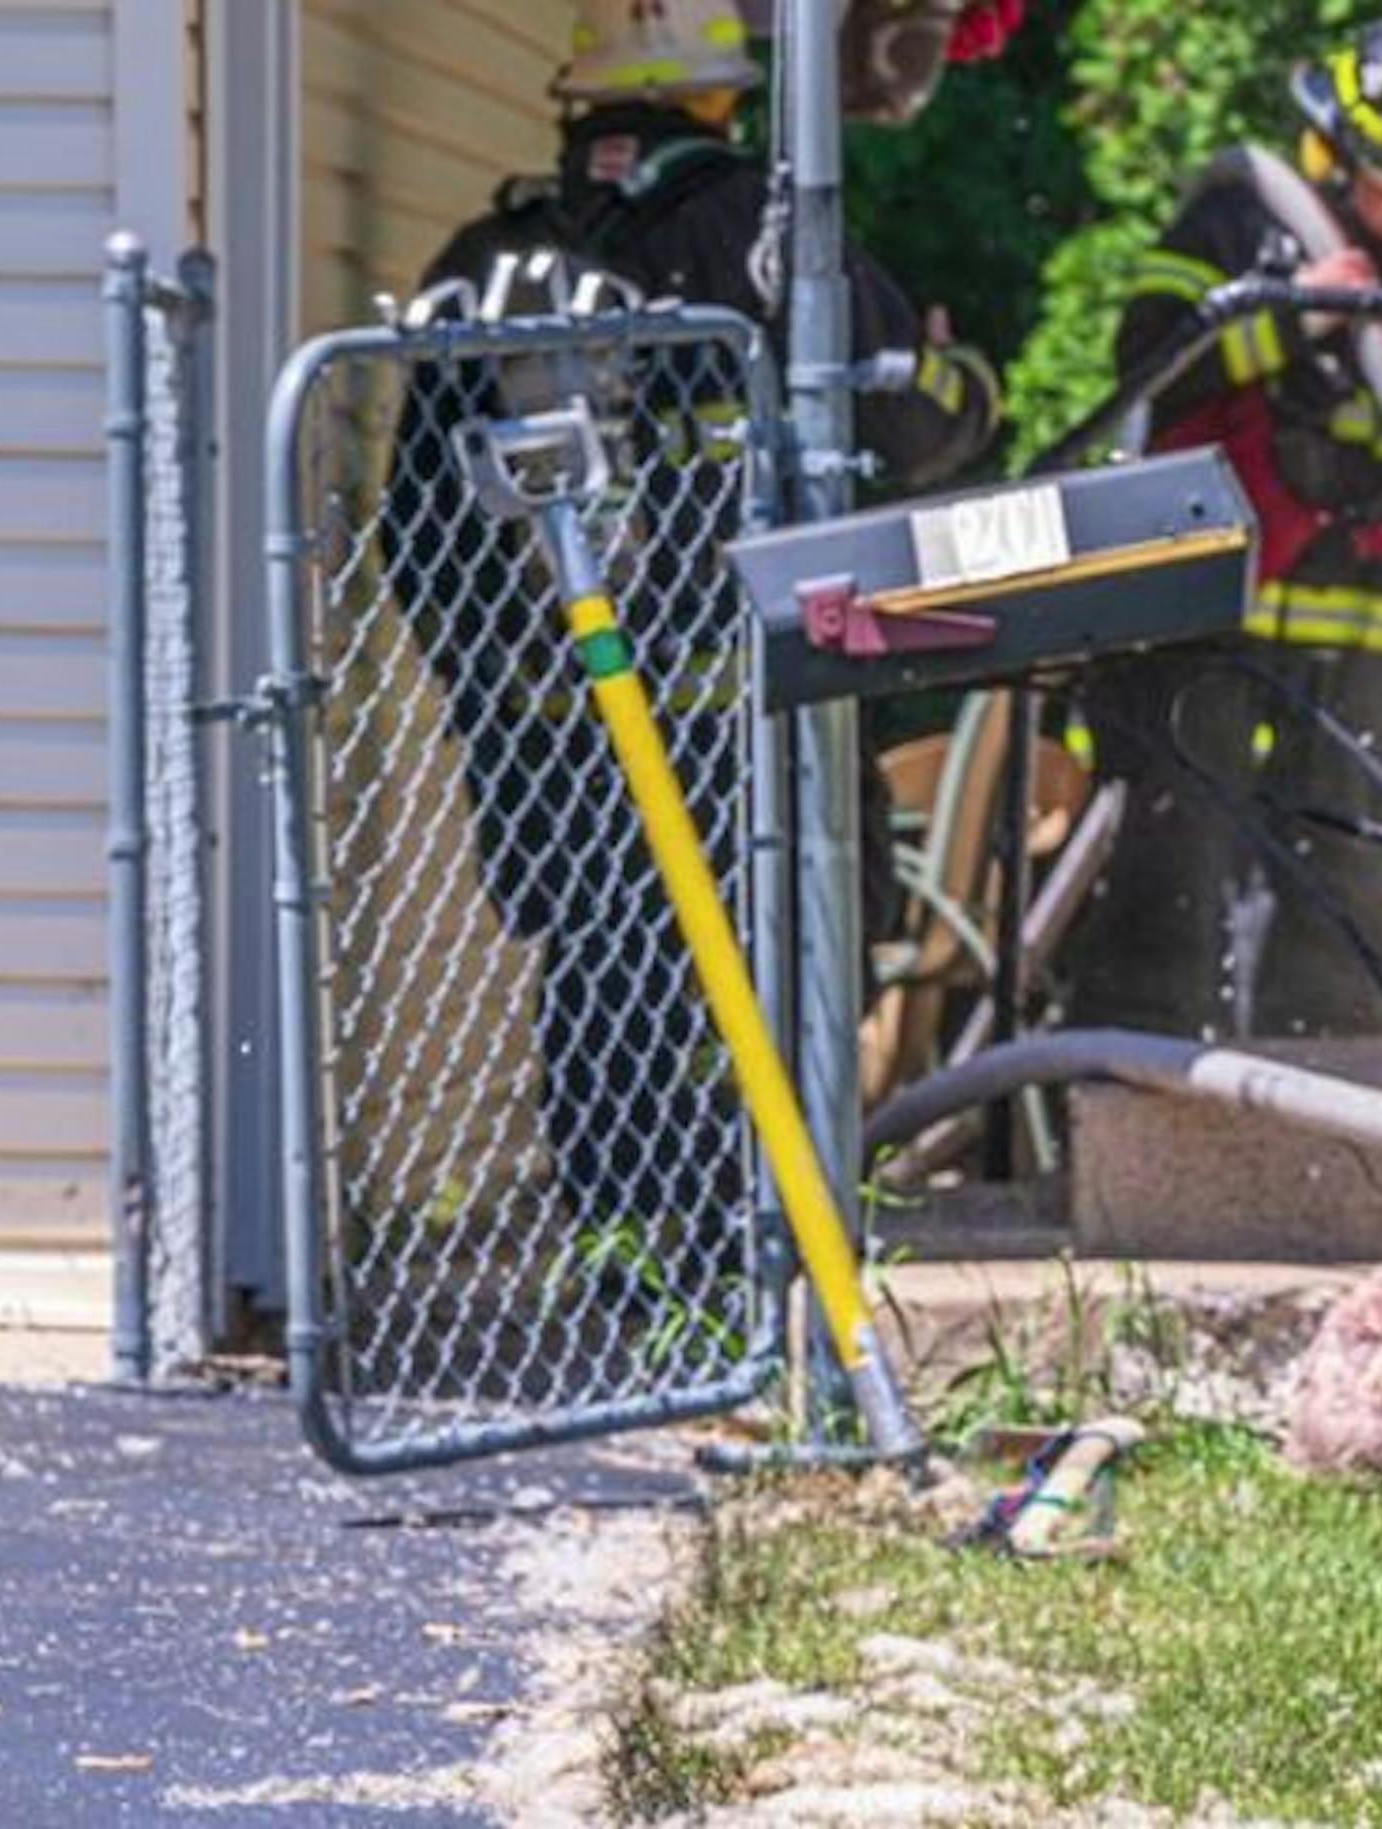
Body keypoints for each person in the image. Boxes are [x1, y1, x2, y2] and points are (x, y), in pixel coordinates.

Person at [384, 0, 999, 1276]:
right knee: (778, 951)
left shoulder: (479, 259)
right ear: (713, 100)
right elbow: (920, 422)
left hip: (543, 723)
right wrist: (963, 382)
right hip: (735, 714)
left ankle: (623, 1237)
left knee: (597, 962)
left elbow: (412, 527)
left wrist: (491, 686)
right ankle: (759, 1232)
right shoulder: (757, 229)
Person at [1071, 13, 1382, 1038]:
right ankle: (1142, 1098)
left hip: (1368, 631)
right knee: (1175, 864)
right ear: (1331, 144)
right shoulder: (1235, 234)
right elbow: (1147, 361)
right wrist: (1290, 314)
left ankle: (1329, 1106)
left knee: (1346, 884)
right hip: (1216, 622)